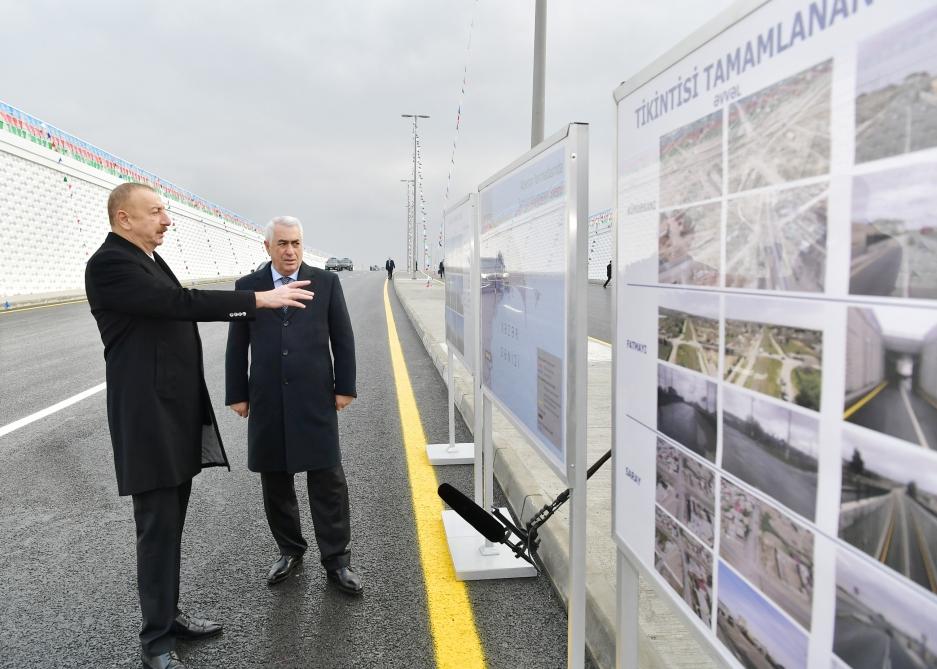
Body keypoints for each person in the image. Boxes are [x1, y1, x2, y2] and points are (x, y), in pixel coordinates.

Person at [85, 183, 314, 669]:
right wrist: (259, 300)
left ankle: (169, 617)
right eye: (156, 213)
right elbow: (181, 304)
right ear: (124, 218)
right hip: (147, 419)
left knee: (171, 526)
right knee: (157, 528)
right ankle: (156, 643)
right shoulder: (110, 264)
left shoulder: (145, 258)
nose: (166, 220)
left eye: (165, 212)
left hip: (172, 414)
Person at [225, 216, 362, 597]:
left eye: (296, 243)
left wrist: (345, 387)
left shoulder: (326, 282)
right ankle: (290, 550)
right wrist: (237, 392)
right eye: (282, 243)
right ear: (267, 247)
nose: (290, 251)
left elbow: (343, 337)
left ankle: (337, 560)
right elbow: (237, 345)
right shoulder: (248, 288)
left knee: (328, 480)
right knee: (275, 480)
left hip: (314, 397)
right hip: (268, 398)